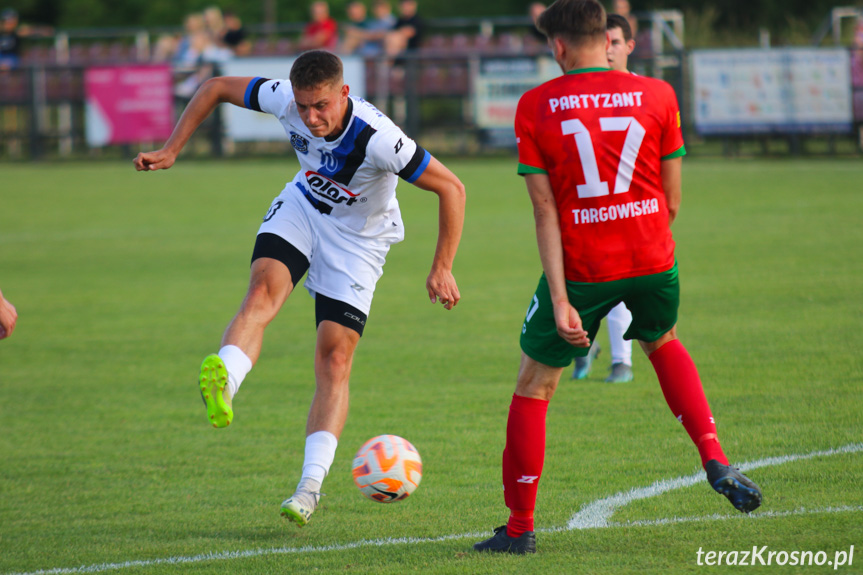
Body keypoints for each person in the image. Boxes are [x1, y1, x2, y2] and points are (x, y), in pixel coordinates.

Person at [473, 0, 761, 555]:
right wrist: (644, 244)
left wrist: (561, 299)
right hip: (655, 258)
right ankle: (714, 455)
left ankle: (518, 530)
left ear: (557, 46)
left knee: (535, 385)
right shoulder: (659, 94)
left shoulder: (535, 105)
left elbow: (544, 212)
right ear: (607, 39)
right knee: (662, 340)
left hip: (585, 268)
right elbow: (673, 198)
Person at [133, 50, 465, 527]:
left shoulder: (380, 139)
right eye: (303, 106)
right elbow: (214, 88)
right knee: (263, 291)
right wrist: (171, 149)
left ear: (344, 93)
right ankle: (225, 378)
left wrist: (442, 267)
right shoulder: (284, 99)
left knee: (334, 357)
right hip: (304, 207)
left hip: (359, 242)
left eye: (322, 106)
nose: (310, 117)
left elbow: (452, 188)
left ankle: (309, 488)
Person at [570, 12, 637, 384]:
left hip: (631, 209)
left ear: (629, 46)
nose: (607, 50)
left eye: (613, 42)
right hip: (586, 207)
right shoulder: (579, 97)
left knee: (621, 285)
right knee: (577, 287)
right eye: (601, 42)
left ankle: (621, 361)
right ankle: (586, 346)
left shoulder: (645, 93)